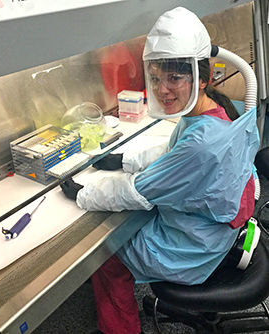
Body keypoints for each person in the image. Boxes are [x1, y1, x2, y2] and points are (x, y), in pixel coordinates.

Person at [60, 7, 260, 334]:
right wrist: (123, 159)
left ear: (202, 77)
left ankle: (121, 330)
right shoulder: (216, 109)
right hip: (211, 232)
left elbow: (137, 191)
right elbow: (171, 154)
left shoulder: (201, 145)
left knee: (102, 254)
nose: (162, 89)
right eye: (155, 77)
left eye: (174, 77)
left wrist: (84, 194)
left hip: (193, 250)